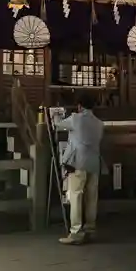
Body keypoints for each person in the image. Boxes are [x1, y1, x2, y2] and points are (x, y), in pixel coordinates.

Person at [55, 94, 104, 245]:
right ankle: (90, 229)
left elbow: (57, 124)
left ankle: (75, 232)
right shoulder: (99, 123)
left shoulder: (75, 118)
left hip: (78, 162)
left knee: (76, 195)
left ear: (80, 106)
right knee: (91, 197)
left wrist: (56, 114)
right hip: (95, 162)